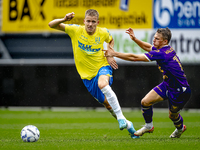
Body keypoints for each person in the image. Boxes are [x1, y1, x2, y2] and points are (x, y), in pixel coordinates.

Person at [48, 9, 139, 139]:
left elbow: (111, 39)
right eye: (88, 21)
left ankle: (120, 118)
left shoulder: (102, 32)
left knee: (102, 83)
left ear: (97, 22)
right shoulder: (76, 30)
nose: (90, 24)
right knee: (108, 105)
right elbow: (51, 24)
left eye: (93, 22)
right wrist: (63, 19)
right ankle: (129, 125)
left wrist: (109, 53)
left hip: (102, 67)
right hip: (87, 77)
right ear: (84, 21)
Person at [103, 27, 191, 138]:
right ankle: (149, 126)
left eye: (157, 39)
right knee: (145, 102)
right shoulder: (167, 49)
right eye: (154, 37)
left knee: (172, 116)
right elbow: (148, 47)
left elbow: (135, 57)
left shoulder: (162, 54)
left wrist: (114, 53)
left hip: (180, 90)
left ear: (165, 41)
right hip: (167, 84)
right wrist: (135, 39)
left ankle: (180, 129)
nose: (154, 40)